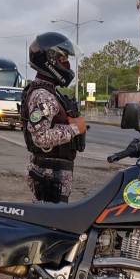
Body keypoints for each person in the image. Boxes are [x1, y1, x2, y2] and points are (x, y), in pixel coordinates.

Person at [21, 32, 86, 203]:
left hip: (52, 172)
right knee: (50, 217)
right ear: (50, 60)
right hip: (50, 174)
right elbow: (40, 137)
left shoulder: (49, 92)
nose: (67, 64)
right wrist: (75, 129)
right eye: (63, 58)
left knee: (50, 215)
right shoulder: (43, 96)